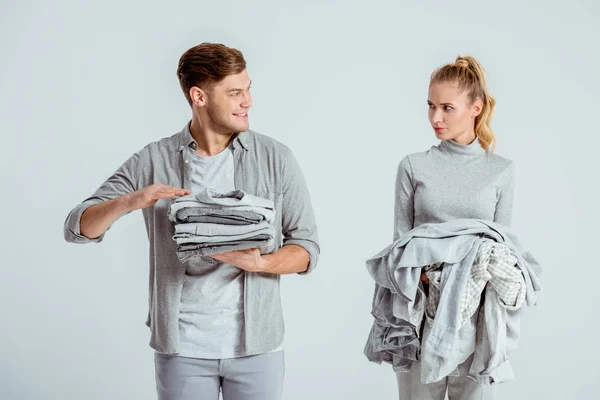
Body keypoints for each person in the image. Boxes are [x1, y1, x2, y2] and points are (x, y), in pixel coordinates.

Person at [63, 42, 319, 400]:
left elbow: (306, 248)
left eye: (248, 89)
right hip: (182, 349)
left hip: (257, 348)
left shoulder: (275, 158)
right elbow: (77, 228)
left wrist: (262, 262)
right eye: (235, 92)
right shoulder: (154, 159)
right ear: (199, 96)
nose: (248, 101)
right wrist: (129, 200)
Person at [393, 55, 515, 399]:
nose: (435, 117)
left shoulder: (501, 171)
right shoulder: (414, 166)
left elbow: (500, 249)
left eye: (447, 107)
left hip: (478, 321)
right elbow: (400, 247)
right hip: (419, 317)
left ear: (475, 108)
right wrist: (429, 280)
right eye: (431, 106)